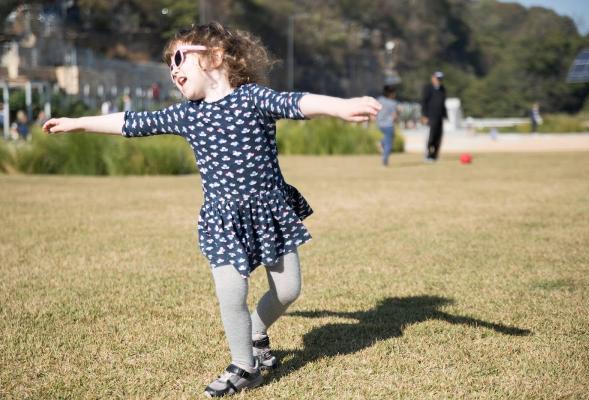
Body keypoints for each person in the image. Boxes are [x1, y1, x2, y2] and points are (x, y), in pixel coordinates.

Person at [43, 22, 381, 397]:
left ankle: (256, 331)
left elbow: (295, 102)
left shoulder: (253, 98)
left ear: (216, 57)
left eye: (179, 58)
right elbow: (132, 122)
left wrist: (341, 106)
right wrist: (77, 124)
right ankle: (243, 366)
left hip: (268, 211)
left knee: (287, 291)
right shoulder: (189, 114)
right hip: (222, 220)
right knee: (230, 292)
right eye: (169, 63)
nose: (172, 69)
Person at [421, 71, 447, 162]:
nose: (439, 81)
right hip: (431, 116)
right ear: (433, 78)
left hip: (440, 116)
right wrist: (424, 115)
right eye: (437, 79)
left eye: (440, 79)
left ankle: (435, 155)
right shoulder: (428, 88)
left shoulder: (442, 89)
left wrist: (445, 115)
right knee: (430, 136)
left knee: (438, 137)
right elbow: (424, 102)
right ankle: (427, 155)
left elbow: (443, 103)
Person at [376, 85, 400, 166]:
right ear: (391, 94)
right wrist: (398, 115)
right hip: (388, 125)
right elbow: (394, 116)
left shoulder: (380, 99)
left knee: (388, 137)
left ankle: (381, 142)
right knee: (389, 144)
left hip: (380, 124)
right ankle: (385, 160)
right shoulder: (392, 103)